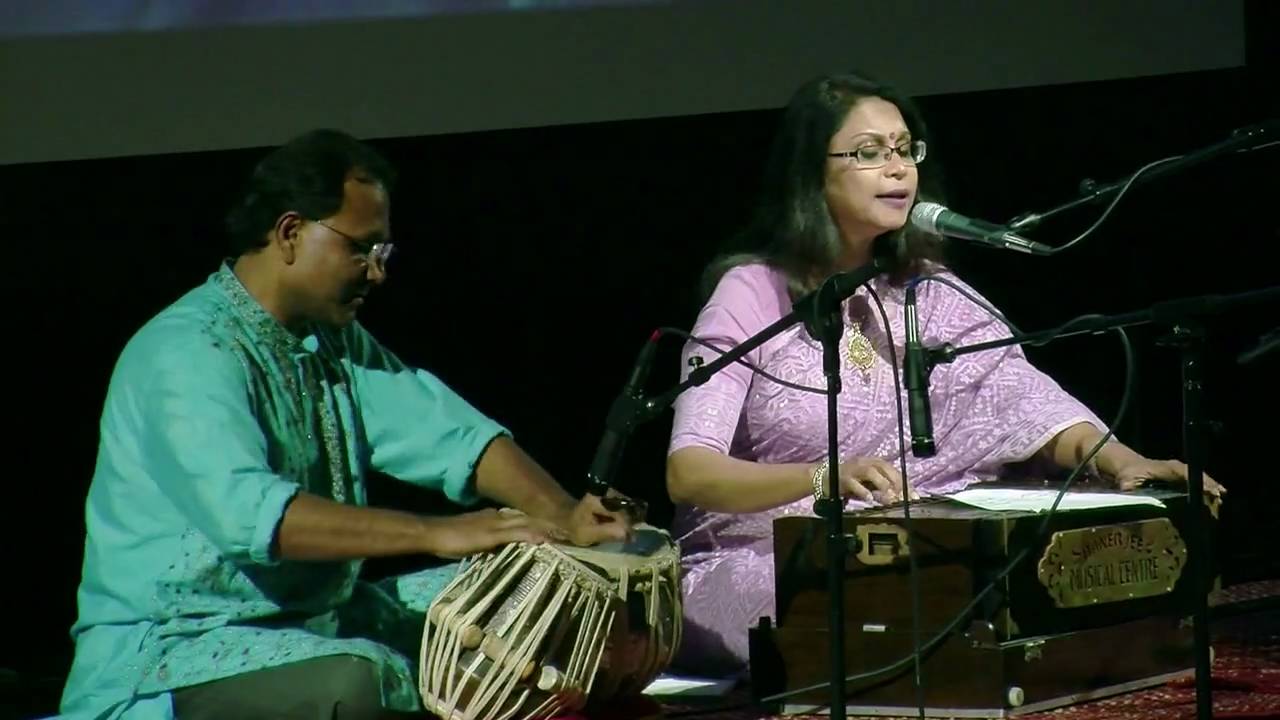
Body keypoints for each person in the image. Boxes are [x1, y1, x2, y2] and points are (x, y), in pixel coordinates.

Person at [56, 129, 636, 720]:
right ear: (289, 233)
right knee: (359, 682)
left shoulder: (331, 341)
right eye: (362, 248)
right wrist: (438, 532)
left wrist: (561, 515)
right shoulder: (185, 352)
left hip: (326, 622)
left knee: (534, 595)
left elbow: (452, 437)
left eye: (383, 253)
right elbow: (253, 517)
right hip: (174, 652)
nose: (377, 273)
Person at [664, 71, 1225, 678]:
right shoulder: (750, 294)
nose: (898, 169)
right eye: (869, 153)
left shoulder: (931, 291)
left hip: (917, 556)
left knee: (1023, 564)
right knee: (867, 608)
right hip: (759, 561)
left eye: (905, 150)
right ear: (810, 174)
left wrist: (1123, 460)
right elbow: (689, 473)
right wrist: (822, 475)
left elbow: (1025, 400)